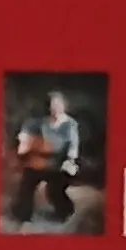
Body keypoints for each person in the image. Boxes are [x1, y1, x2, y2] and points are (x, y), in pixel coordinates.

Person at [10, 89, 84, 227]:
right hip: (44, 162)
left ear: (63, 106)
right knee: (27, 182)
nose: (54, 108)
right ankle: (23, 214)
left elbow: (73, 146)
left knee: (55, 189)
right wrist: (24, 139)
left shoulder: (70, 124)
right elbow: (27, 131)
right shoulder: (42, 122)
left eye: (57, 105)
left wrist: (70, 160)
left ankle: (65, 211)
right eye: (51, 105)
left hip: (62, 162)